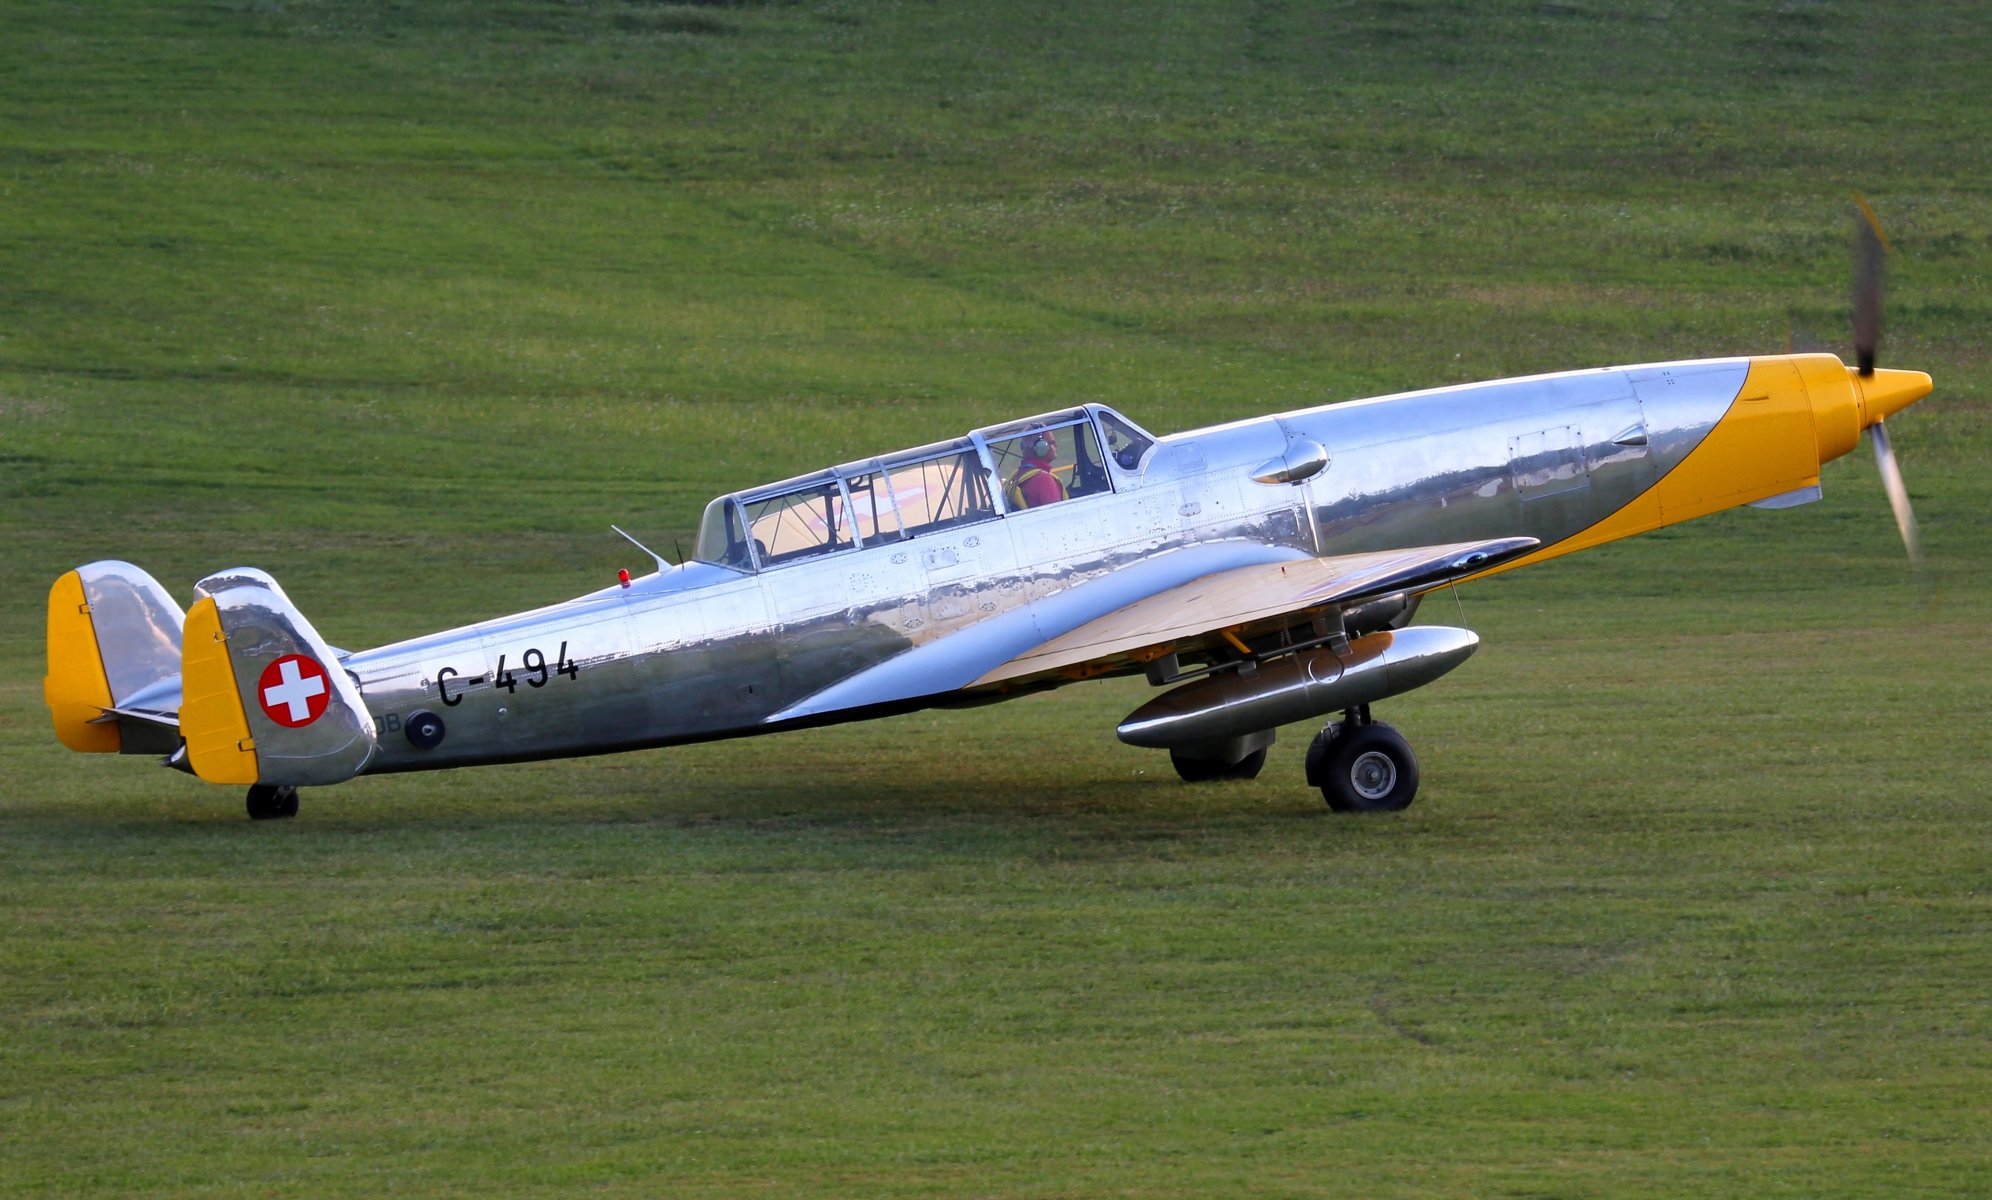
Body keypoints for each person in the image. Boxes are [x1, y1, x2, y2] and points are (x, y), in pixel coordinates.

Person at [1006, 427, 1068, 510]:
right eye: (1052, 443)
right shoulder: (1044, 480)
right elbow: (1057, 514)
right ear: (1041, 448)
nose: (1056, 446)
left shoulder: (1018, 474)